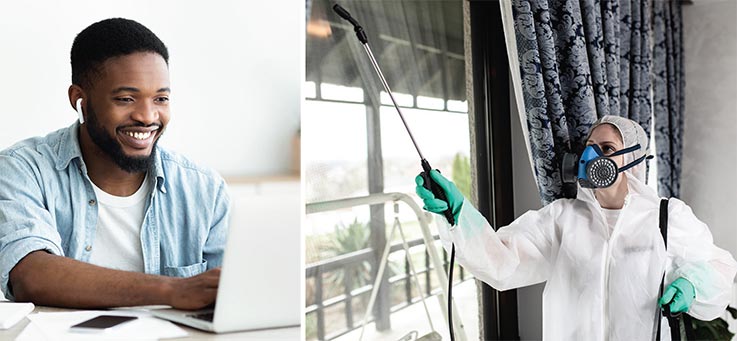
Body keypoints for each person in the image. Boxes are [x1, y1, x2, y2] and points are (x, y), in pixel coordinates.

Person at [415, 115, 737, 339]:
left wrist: (694, 284)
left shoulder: (668, 217)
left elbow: (720, 266)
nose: (592, 156)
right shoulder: (561, 219)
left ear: (633, 160)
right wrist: (458, 215)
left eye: (607, 149)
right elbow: (500, 262)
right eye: (590, 146)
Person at [0, 18, 227, 310]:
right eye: (126, 98)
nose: (147, 116)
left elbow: (233, 295)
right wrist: (172, 289)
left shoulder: (204, 189)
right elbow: (31, 276)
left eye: (161, 98)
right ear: (79, 99)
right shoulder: (21, 171)